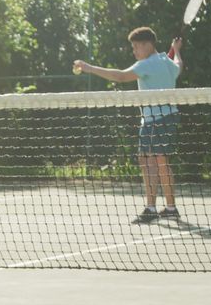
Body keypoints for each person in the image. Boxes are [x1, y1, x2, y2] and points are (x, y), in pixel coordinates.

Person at [74, 27, 183, 224]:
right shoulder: (166, 61)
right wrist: (176, 50)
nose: (134, 51)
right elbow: (178, 66)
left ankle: (156, 209)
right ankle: (168, 208)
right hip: (162, 118)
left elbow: (121, 76)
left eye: (136, 47)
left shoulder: (147, 64)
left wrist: (90, 68)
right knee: (155, 161)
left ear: (147, 44)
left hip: (157, 119)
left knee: (154, 162)